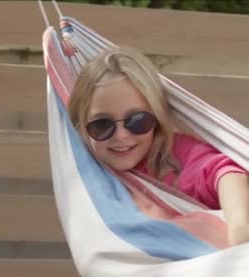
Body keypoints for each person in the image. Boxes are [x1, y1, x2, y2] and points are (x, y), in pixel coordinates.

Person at [67, 47, 249, 245]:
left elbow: (226, 173)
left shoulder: (175, 155)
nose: (121, 135)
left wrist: (240, 231)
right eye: (102, 125)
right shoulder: (89, 171)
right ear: (81, 127)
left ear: (157, 117)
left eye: (137, 121)